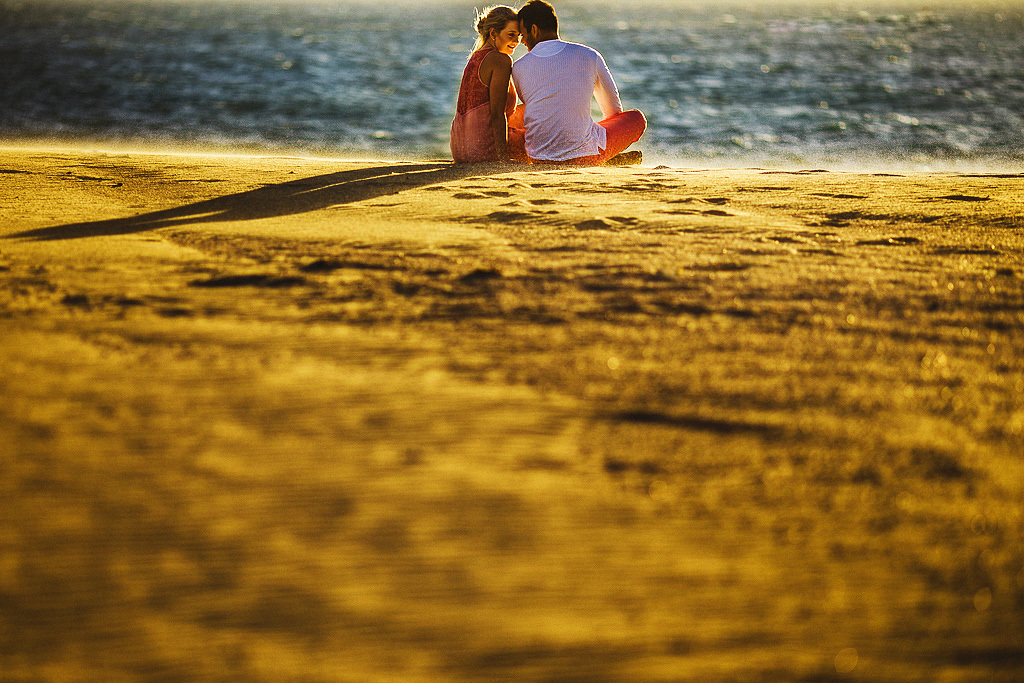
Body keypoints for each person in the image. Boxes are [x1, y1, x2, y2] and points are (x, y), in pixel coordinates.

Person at [510, 0, 646, 165]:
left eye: (523, 35)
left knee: (514, 119)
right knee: (636, 118)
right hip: (585, 156)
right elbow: (613, 112)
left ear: (534, 30)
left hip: (538, 158)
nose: (522, 41)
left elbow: (536, 111)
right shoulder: (589, 55)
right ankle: (606, 156)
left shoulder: (518, 67)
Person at [450, 6, 527, 163]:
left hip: (460, 149)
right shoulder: (500, 60)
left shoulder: (475, 57)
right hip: (482, 150)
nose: (516, 41)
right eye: (511, 35)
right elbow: (497, 114)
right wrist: (502, 158)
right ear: (493, 33)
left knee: (529, 111)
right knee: (548, 129)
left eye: (518, 36)